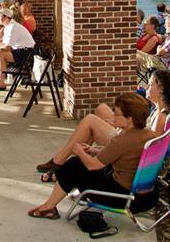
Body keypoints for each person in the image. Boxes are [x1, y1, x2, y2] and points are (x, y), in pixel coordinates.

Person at [28, 93, 157, 219]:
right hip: (146, 197)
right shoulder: (149, 135)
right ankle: (52, 203)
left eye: (117, 114)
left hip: (124, 198)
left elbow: (92, 166)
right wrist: (94, 150)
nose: (113, 116)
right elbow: (122, 155)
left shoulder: (121, 140)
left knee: (73, 165)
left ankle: (48, 207)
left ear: (129, 119)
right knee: (82, 165)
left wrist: (79, 151)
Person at [35, 71, 170, 179]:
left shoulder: (161, 118)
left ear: (162, 89)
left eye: (150, 84)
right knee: (101, 109)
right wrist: (120, 122)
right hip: (133, 137)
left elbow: (148, 148)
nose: (146, 87)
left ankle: (60, 161)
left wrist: (125, 128)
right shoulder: (166, 110)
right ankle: (75, 163)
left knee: (90, 121)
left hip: (131, 149)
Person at [0, 8, 36, 91]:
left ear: (6, 18)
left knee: (0, 53)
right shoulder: (9, 26)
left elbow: (7, 47)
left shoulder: (12, 27)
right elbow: (5, 43)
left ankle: (1, 83)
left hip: (26, 54)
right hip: (22, 51)